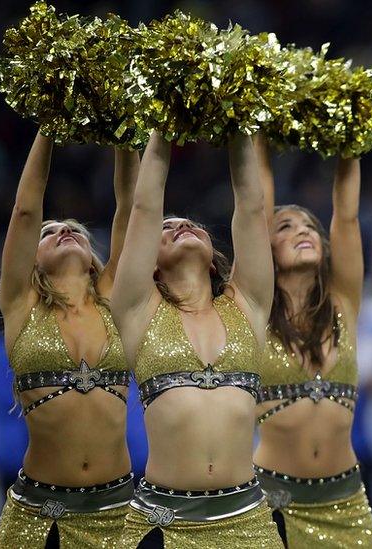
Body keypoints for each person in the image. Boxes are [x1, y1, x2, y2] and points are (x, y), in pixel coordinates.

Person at [111, 132, 282, 547]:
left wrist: (237, 122)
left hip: (249, 523)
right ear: (148, 261)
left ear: (213, 254)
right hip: (163, 521)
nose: (184, 225)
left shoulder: (249, 304)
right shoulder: (137, 308)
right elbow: (144, 204)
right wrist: (165, 129)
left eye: (194, 226)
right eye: (168, 229)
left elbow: (252, 205)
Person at [0, 132, 137, 548]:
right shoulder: (20, 304)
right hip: (38, 513)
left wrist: (125, 129)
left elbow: (130, 207)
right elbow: (24, 211)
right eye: (49, 232)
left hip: (116, 510)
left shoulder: (113, 299)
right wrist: (47, 128)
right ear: (30, 259)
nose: (62, 230)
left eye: (73, 229)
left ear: (93, 257)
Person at [251, 136, 372, 548]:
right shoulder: (253, 310)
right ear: (264, 247)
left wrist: (350, 141)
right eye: (285, 227)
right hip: (273, 503)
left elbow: (346, 215)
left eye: (309, 227)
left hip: (347, 505)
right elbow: (254, 207)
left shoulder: (344, 305)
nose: (302, 231)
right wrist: (259, 135)